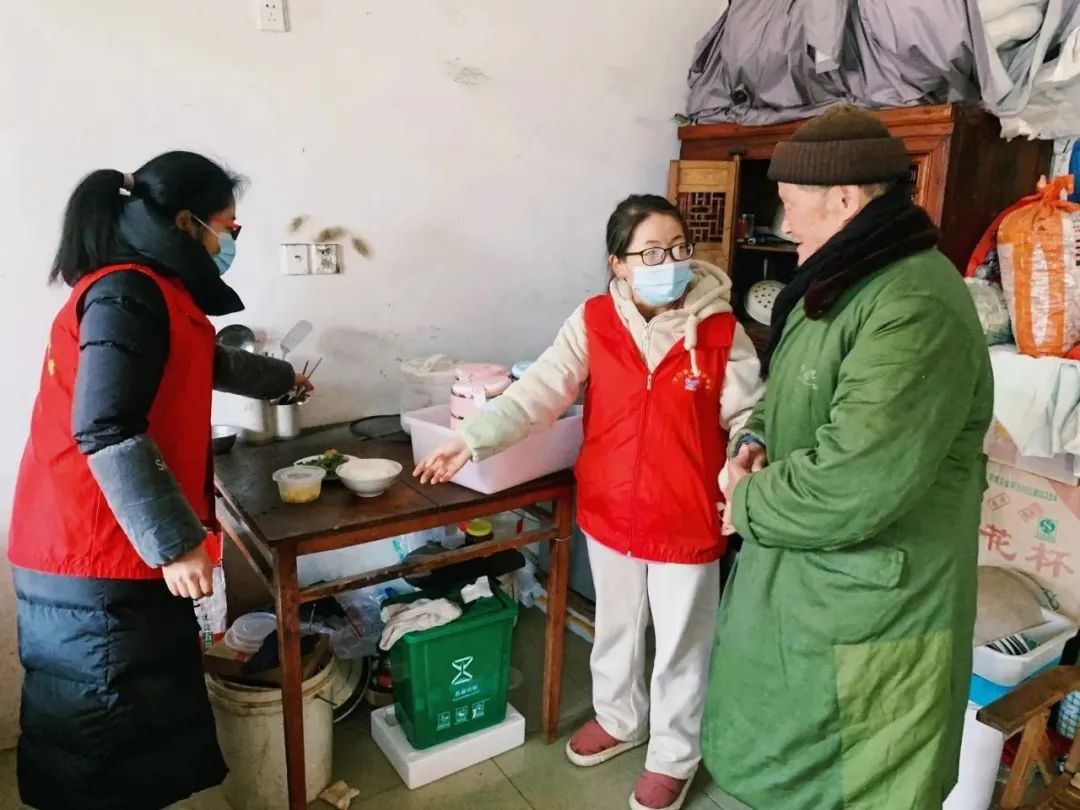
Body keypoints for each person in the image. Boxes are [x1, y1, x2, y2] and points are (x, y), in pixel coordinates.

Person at [414, 194, 764, 810]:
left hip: (686, 512)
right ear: (617, 264)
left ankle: (674, 756)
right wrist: (471, 440)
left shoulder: (719, 328)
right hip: (610, 507)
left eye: (678, 249)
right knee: (617, 627)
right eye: (650, 252)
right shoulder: (594, 320)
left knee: (682, 646)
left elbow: (748, 411)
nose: (669, 262)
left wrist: (747, 450)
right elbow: (539, 392)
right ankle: (621, 718)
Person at [703, 107, 993, 809]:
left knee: (854, 785)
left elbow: (853, 482)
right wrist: (752, 441)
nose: (786, 224)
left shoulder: (913, 305)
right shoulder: (839, 281)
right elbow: (784, 395)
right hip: (806, 587)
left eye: (792, 204)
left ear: (844, 199)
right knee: (780, 771)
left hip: (871, 608)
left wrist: (743, 499)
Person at [8, 152, 310, 810]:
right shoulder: (125, 292)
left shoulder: (153, 291)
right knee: (104, 741)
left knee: (129, 737)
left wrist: (284, 379)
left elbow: (207, 358)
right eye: (229, 228)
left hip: (110, 545)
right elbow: (106, 426)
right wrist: (174, 543)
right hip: (95, 551)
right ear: (186, 222)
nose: (230, 243)